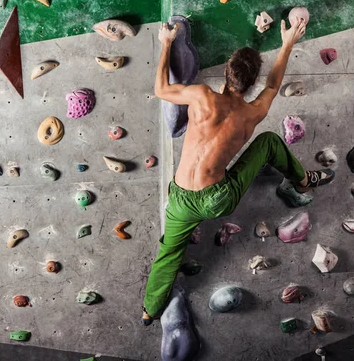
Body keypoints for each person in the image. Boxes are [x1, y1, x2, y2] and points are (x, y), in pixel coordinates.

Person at [142, 18, 335, 325]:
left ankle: (149, 310)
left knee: (169, 253)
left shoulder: (201, 96)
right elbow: (273, 85)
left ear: (226, 73)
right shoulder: (251, 112)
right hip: (219, 199)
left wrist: (166, 42)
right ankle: (304, 179)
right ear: (251, 83)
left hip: (180, 199)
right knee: (270, 141)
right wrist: (287, 43)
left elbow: (161, 88)